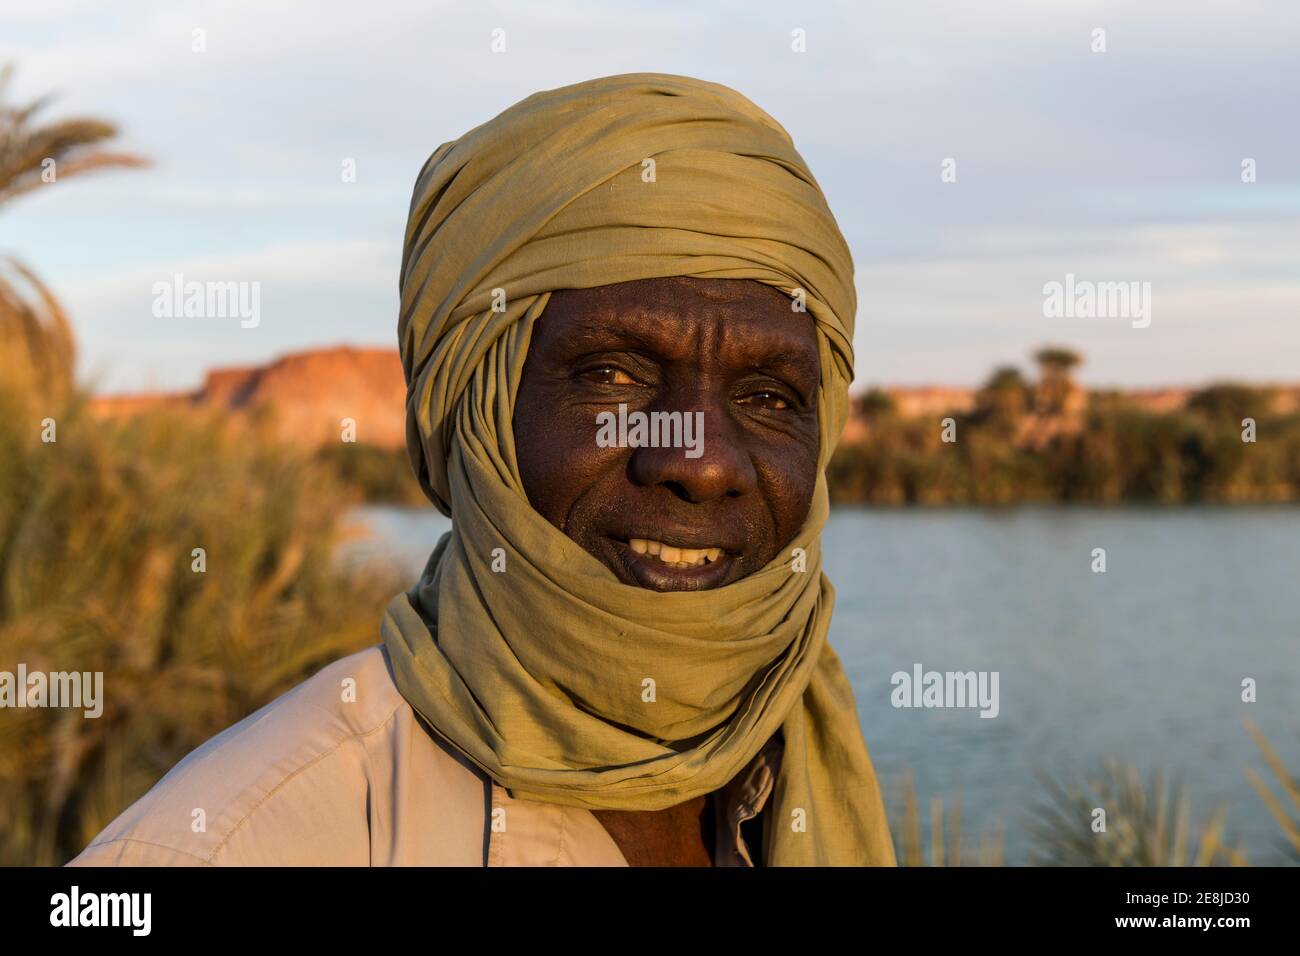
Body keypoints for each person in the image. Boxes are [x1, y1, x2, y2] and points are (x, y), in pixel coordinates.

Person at [67, 73, 896, 867]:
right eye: (612, 375)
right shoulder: (224, 844)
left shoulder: (793, 756)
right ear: (476, 411)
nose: (701, 461)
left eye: (767, 395)